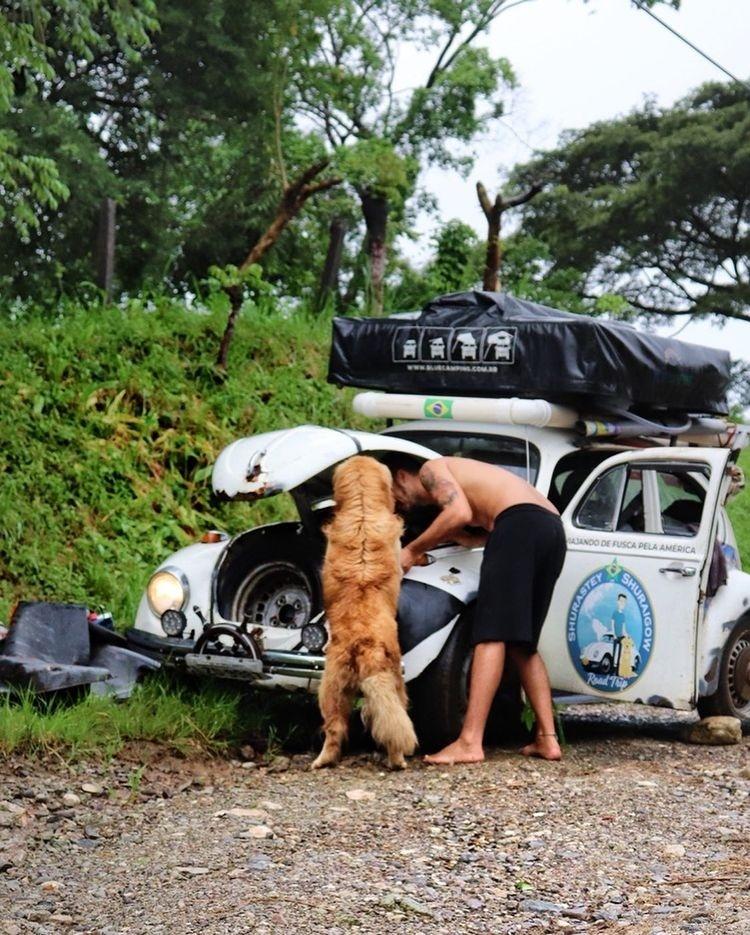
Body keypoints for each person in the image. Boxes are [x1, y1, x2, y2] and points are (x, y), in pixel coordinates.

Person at [383, 453, 567, 764]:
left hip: (517, 524)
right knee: (523, 645)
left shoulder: (432, 469)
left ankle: (470, 742)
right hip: (550, 529)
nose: (397, 504)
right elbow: (475, 533)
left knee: (490, 635)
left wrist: (412, 550)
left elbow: (458, 511)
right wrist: (456, 534)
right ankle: (547, 740)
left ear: (401, 475)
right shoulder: (468, 476)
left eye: (393, 495)